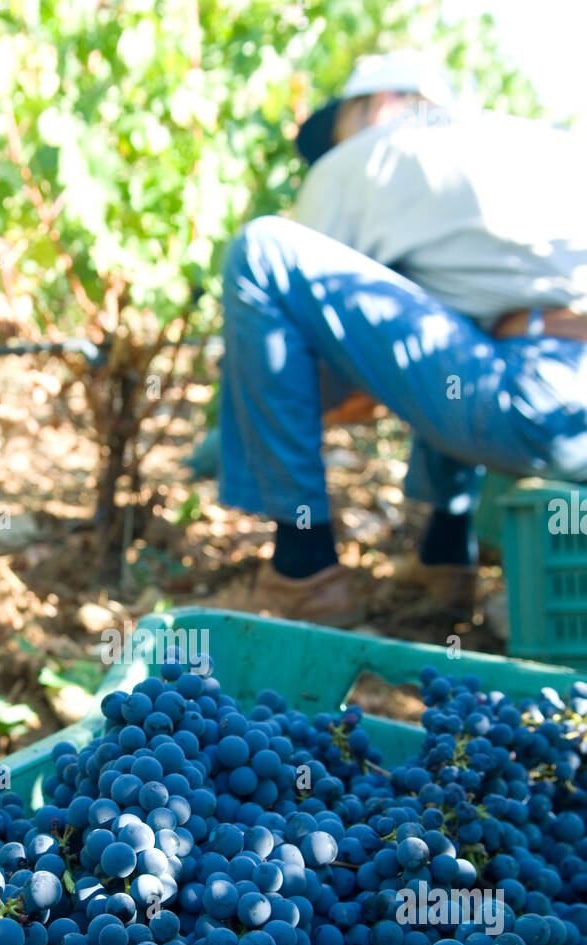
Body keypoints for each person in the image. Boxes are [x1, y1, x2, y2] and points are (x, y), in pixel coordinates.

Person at [218, 50, 587, 625]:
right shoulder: (528, 142)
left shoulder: (371, 153)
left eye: (339, 125)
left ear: (381, 103)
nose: (334, 148)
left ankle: (301, 570)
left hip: (529, 400)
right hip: (568, 407)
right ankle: (446, 559)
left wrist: (224, 442)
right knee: (449, 314)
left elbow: (307, 342)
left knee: (262, 251)